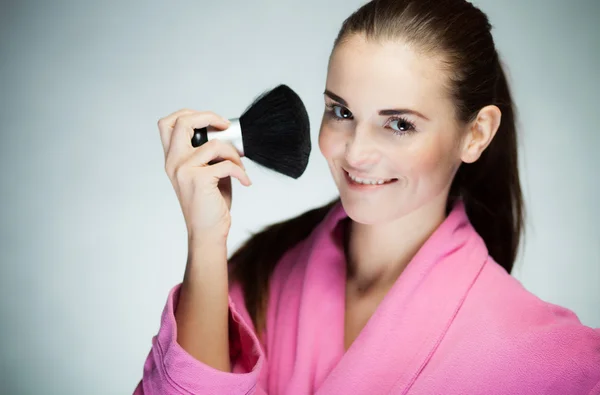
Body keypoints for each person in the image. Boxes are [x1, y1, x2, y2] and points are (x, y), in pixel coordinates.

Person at [134, 0, 600, 393]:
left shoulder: (551, 361)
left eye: (399, 124)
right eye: (341, 111)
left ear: (476, 134)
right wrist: (205, 237)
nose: (355, 152)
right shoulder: (255, 277)